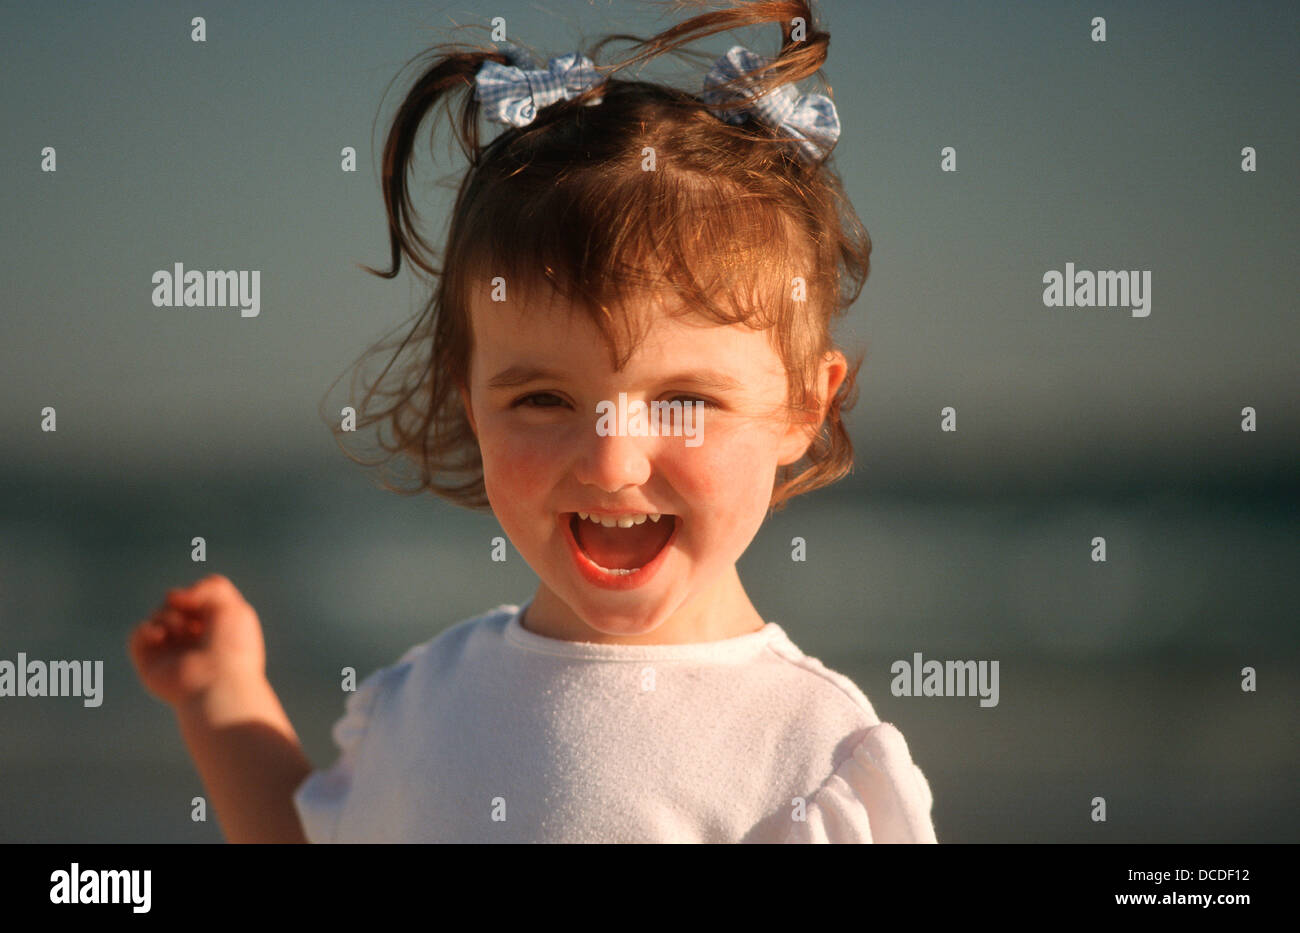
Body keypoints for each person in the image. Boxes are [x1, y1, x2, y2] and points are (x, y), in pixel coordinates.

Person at [128, 0, 937, 844]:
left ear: (804, 403)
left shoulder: (807, 760)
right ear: (467, 397)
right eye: (544, 398)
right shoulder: (427, 699)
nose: (611, 463)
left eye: (685, 401)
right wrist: (222, 700)